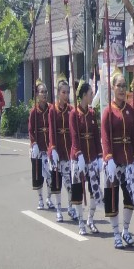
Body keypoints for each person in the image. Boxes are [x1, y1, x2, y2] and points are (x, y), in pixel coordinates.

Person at [101, 71, 134, 249]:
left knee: (130, 198)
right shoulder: (107, 112)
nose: (122, 89)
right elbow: (105, 137)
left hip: (128, 160)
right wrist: (108, 157)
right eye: (119, 85)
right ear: (112, 87)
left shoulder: (130, 110)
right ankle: (116, 232)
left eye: (124, 86)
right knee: (112, 199)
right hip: (113, 161)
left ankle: (126, 230)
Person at [70, 80, 103, 236]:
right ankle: (81, 222)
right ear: (84, 95)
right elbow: (74, 137)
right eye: (91, 94)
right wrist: (78, 155)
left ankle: (90, 219)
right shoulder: (73, 114)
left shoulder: (91, 113)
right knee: (77, 190)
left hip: (92, 157)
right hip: (78, 158)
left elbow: (96, 136)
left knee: (94, 191)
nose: (92, 96)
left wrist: (100, 156)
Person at [48, 78, 78, 223]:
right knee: (57, 183)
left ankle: (71, 208)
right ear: (58, 93)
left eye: (68, 92)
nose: (66, 95)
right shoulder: (52, 110)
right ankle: (59, 210)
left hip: (69, 152)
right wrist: (52, 148)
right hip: (57, 151)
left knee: (70, 183)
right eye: (63, 92)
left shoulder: (71, 110)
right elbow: (51, 132)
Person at [28, 81, 54, 210]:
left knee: (50, 175)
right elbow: (31, 130)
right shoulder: (34, 111)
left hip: (49, 148)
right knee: (38, 176)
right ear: (37, 94)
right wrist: (34, 144)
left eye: (45, 92)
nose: (44, 94)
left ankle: (49, 198)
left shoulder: (51, 109)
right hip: (38, 148)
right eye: (41, 92)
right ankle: (40, 199)